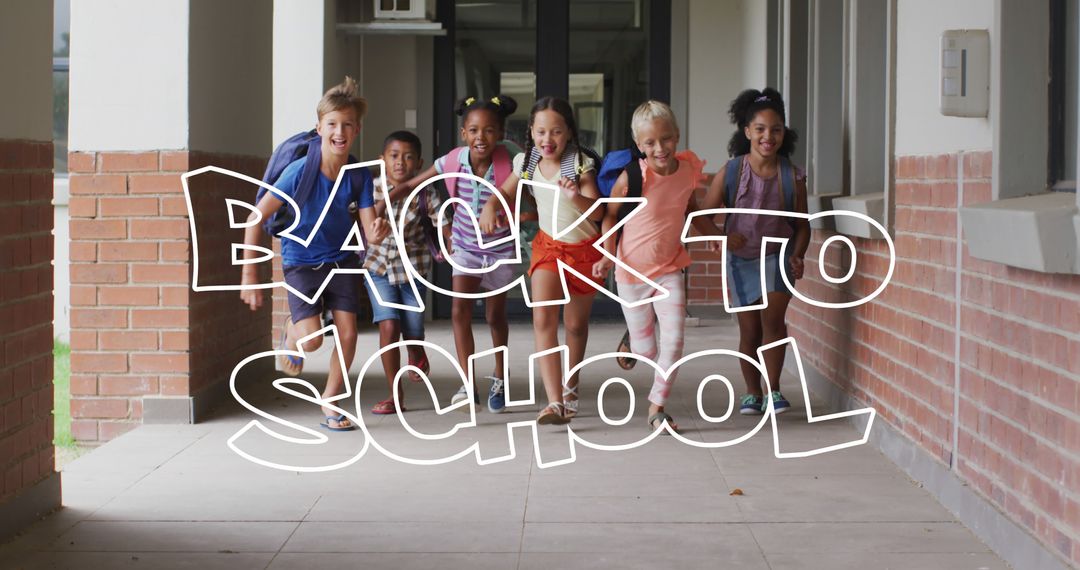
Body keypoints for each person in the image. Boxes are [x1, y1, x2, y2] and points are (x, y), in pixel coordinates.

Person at [239, 76, 389, 432]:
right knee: (312, 340)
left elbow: (369, 228)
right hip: (302, 261)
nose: (340, 131)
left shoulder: (358, 175)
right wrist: (249, 275)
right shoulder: (297, 172)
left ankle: (331, 399)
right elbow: (254, 218)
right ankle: (292, 330)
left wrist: (378, 231)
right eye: (332, 124)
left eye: (347, 125)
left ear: (357, 130)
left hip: (342, 260)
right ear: (319, 126)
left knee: (349, 333)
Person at [592, 100, 721, 432]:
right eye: (650, 142)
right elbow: (609, 217)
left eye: (666, 139)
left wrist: (717, 234)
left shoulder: (689, 171)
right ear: (639, 145)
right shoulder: (634, 176)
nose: (659, 148)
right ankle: (632, 341)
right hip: (631, 272)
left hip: (669, 268)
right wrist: (607, 255)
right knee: (647, 350)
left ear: (677, 136)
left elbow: (688, 207)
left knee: (674, 343)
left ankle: (657, 408)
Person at [390, 95, 520, 413]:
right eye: (474, 130)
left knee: (494, 316)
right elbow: (414, 185)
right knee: (459, 312)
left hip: (500, 249)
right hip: (464, 248)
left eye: (489, 130)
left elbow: (531, 178)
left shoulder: (511, 158)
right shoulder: (452, 161)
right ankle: (467, 383)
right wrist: (381, 204)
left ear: (500, 133)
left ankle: (499, 377)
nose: (481, 137)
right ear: (464, 133)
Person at [480, 96, 604, 425]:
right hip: (548, 249)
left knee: (576, 326)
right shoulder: (527, 161)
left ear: (568, 133)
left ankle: (571, 386)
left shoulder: (579, 164)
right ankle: (555, 403)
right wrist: (491, 205)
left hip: (584, 252)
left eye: (556, 132)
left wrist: (574, 194)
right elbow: (504, 191)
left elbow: (598, 211)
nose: (548, 140)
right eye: (540, 132)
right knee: (543, 323)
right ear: (531, 133)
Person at [702, 87, 810, 416]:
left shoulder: (792, 176)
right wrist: (724, 235)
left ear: (783, 134)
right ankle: (753, 392)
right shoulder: (732, 171)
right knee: (749, 331)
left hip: (778, 255)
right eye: (760, 129)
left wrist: (799, 254)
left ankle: (774, 389)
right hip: (740, 261)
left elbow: (803, 225)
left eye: (775, 130)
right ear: (747, 131)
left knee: (773, 323)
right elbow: (700, 217)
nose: (768, 136)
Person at [363, 130, 446, 415]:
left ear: (419, 163)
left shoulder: (426, 193)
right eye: (394, 156)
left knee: (412, 329)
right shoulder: (371, 189)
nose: (401, 163)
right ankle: (394, 394)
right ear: (382, 160)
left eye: (409, 157)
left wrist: (451, 244)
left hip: (413, 270)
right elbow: (357, 218)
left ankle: (416, 350)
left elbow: (443, 222)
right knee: (389, 326)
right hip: (377, 268)